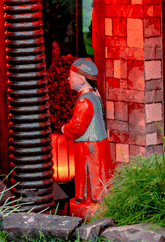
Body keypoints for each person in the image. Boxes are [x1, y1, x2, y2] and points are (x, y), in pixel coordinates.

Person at [62, 57, 114, 218]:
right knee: (99, 171)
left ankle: (90, 199)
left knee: (90, 171)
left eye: (71, 75)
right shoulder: (95, 97)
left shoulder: (84, 101)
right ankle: (96, 197)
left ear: (82, 79)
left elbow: (77, 127)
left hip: (88, 145)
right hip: (97, 143)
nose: (68, 78)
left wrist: (65, 129)